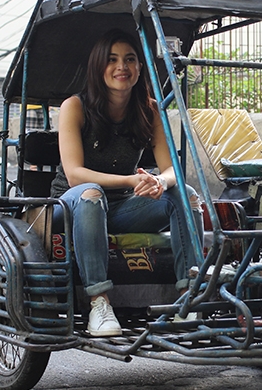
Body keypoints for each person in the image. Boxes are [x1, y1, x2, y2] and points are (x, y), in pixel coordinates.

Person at [50, 29, 204, 336]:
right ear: (98, 66)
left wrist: (158, 181)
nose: (122, 67)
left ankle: (189, 297)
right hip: (69, 208)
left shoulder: (150, 109)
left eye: (130, 59)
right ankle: (99, 303)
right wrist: (132, 180)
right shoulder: (75, 107)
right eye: (112, 59)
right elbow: (75, 174)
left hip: (120, 208)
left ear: (140, 67)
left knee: (184, 195)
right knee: (91, 194)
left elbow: (171, 169)